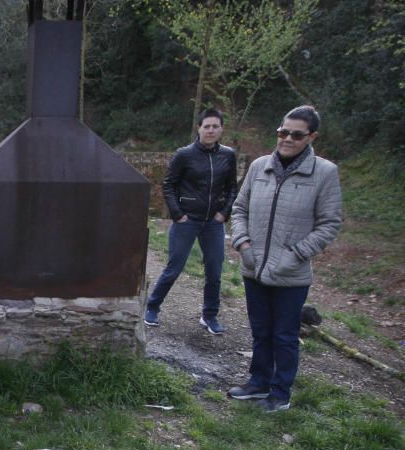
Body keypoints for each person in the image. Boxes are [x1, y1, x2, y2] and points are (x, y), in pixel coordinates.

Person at [227, 105, 342, 412]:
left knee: (284, 335)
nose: (287, 138)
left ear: (311, 137)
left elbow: (330, 223)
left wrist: (296, 254)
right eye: (283, 132)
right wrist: (243, 244)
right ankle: (258, 382)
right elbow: (240, 209)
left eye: (296, 134)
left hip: (291, 273)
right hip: (254, 267)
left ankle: (280, 393)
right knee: (260, 330)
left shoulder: (325, 173)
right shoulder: (259, 166)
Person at [145, 108, 238, 335]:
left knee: (215, 270)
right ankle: (152, 306)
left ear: (221, 129)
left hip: (213, 222)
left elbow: (232, 188)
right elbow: (168, 185)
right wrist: (178, 214)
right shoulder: (184, 155)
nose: (211, 130)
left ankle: (209, 315)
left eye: (215, 126)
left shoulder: (228, 155)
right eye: (206, 126)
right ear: (199, 128)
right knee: (174, 267)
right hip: (187, 220)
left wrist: (224, 213)